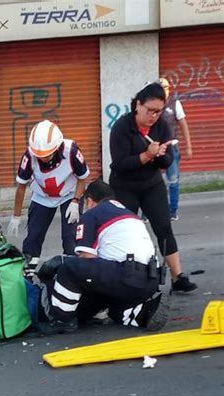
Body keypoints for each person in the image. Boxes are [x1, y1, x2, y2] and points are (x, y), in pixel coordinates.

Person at [37, 179, 167, 332]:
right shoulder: (130, 214)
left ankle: (62, 321)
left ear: (89, 201)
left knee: (69, 268)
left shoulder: (92, 214)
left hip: (125, 275)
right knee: (114, 310)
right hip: (149, 281)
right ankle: (144, 313)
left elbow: (86, 259)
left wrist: (61, 263)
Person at [109, 82, 196, 293]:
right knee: (126, 233)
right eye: (150, 110)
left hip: (151, 184)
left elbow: (167, 163)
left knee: (164, 227)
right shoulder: (122, 127)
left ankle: (178, 277)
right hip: (125, 186)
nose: (153, 116)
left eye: (158, 111)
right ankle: (125, 280)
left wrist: (160, 156)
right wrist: (146, 155)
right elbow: (119, 163)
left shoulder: (161, 127)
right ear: (138, 105)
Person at [7, 119, 89, 274]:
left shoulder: (71, 150)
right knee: (34, 235)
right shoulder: (29, 156)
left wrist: (75, 201)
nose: (42, 158)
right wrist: (16, 216)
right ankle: (28, 271)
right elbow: (21, 187)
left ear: (57, 147)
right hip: (42, 195)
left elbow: (82, 177)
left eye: (46, 155)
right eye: (39, 155)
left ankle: (71, 271)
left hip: (69, 194)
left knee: (70, 236)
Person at [159, 77, 193, 221]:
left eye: (165, 88)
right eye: (160, 87)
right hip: (155, 148)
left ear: (169, 89)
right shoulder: (153, 105)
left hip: (171, 147)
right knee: (151, 180)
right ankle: (147, 213)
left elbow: (183, 125)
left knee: (173, 181)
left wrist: (188, 147)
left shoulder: (174, 104)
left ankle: (172, 211)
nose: (163, 90)